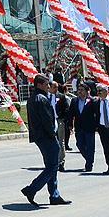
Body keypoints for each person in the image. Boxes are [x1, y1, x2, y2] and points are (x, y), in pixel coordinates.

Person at [22, 74, 71, 206]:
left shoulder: (33, 98)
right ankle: (32, 189)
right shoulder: (41, 99)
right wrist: (52, 134)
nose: (48, 87)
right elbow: (47, 120)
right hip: (46, 137)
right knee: (52, 166)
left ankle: (54, 195)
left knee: (51, 165)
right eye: (46, 84)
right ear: (39, 85)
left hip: (40, 136)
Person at [68, 84, 98, 172]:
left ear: (86, 91)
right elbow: (71, 114)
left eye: (82, 90)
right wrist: (70, 125)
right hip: (79, 127)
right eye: (79, 90)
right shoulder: (74, 101)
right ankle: (89, 159)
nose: (80, 92)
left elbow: (96, 114)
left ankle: (89, 164)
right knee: (79, 144)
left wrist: (97, 125)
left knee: (90, 146)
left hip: (89, 127)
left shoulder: (92, 101)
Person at [48, 82, 69, 171]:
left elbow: (66, 109)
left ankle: (61, 162)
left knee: (61, 142)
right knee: (51, 142)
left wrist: (63, 119)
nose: (56, 89)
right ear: (49, 88)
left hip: (59, 121)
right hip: (49, 122)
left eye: (57, 87)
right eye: (54, 87)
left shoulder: (61, 97)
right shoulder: (45, 97)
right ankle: (52, 161)